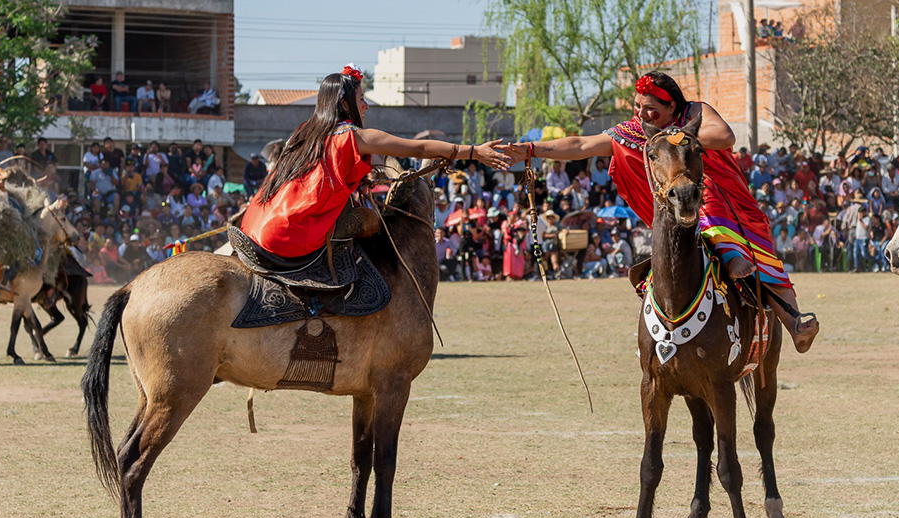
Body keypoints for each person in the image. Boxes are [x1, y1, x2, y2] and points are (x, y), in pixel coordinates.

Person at [504, 71, 817, 352]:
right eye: (637, 107)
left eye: (650, 108)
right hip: (674, 212)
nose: (641, 114)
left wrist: (673, 140)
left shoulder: (695, 111)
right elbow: (582, 145)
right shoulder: (634, 132)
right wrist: (531, 150)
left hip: (729, 203)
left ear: (672, 107)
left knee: (720, 210)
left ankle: (794, 326)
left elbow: (725, 137)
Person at [238, 65, 508, 262]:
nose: (365, 106)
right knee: (368, 231)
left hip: (255, 224)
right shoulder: (353, 136)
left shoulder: (306, 131)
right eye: (361, 99)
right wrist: (474, 151)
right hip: (288, 233)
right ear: (345, 104)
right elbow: (421, 147)